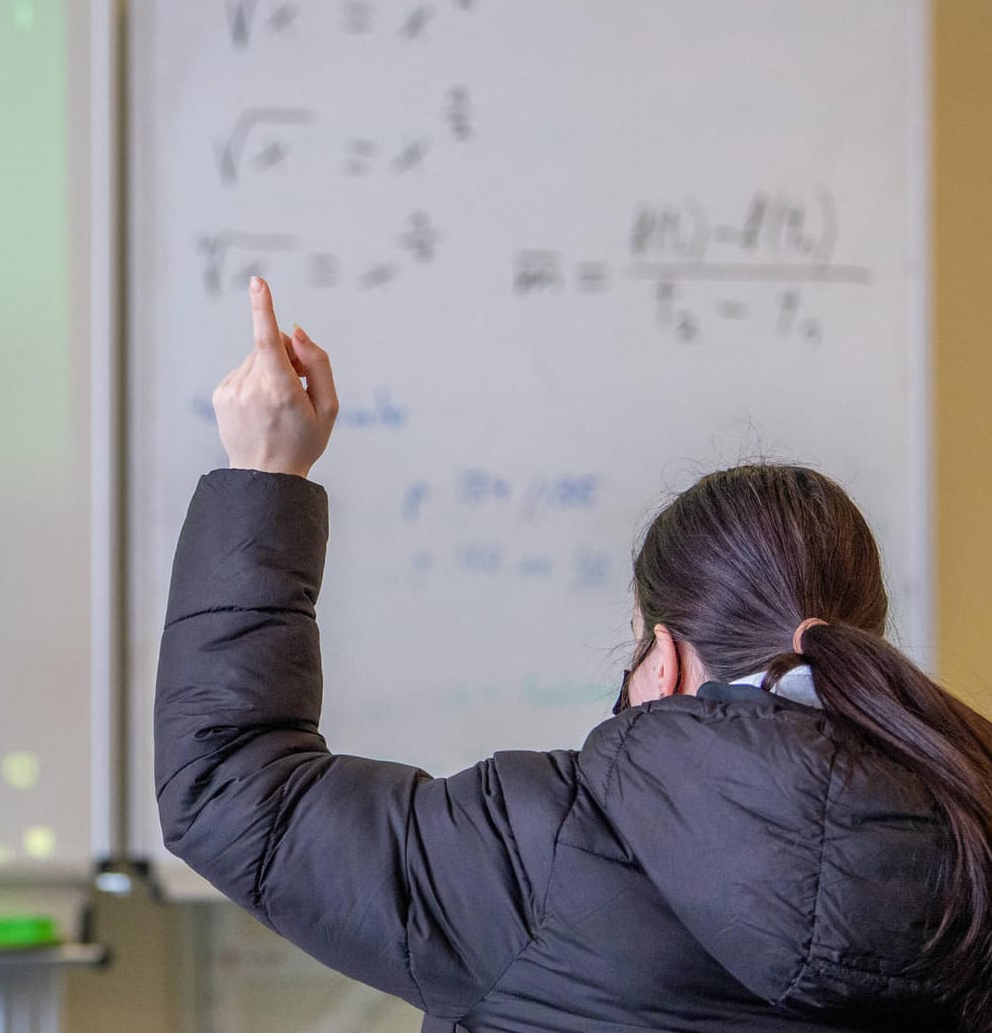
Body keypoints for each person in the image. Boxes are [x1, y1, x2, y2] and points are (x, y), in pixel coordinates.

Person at [155, 277, 992, 1032]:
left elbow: (229, 790)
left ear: (660, 662)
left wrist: (267, 470)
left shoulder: (543, 852)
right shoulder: (971, 842)